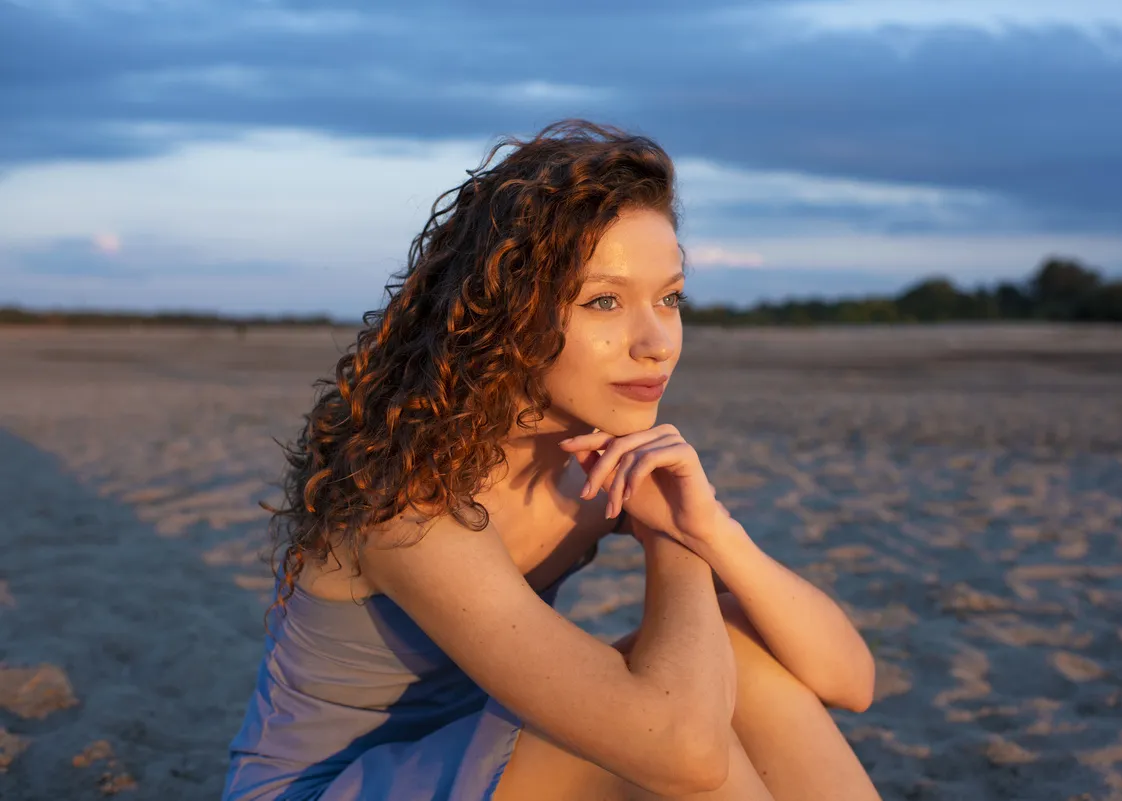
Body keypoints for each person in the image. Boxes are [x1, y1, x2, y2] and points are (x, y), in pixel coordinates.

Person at [222, 119, 881, 801]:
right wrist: (672, 541)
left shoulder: (591, 470)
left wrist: (711, 527)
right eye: (604, 301)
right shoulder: (412, 504)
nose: (656, 342)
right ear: (507, 312)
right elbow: (687, 753)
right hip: (324, 788)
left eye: (670, 298)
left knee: (739, 657)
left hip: (487, 761)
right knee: (669, 732)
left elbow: (850, 679)